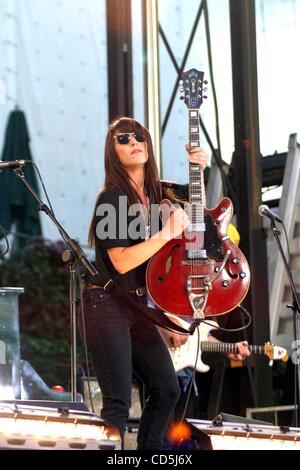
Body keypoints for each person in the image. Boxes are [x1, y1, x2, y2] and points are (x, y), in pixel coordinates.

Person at [83, 116, 210, 450]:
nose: (134, 141)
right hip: (106, 303)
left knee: (167, 389)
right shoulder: (110, 199)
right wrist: (166, 232)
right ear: (112, 153)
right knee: (118, 403)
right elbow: (121, 260)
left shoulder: (160, 192)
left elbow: (197, 215)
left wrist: (199, 168)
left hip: (139, 307)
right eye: (123, 138)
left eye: (139, 135)